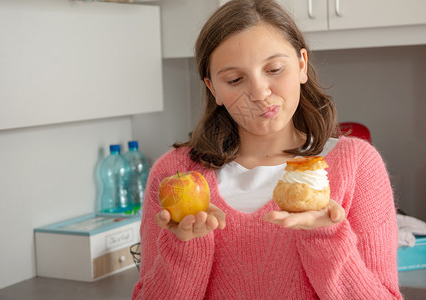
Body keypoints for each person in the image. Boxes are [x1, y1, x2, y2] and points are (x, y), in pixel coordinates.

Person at [132, 0, 402, 298]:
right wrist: (184, 246)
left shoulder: (356, 164)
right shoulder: (172, 173)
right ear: (213, 89)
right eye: (235, 79)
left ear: (301, 65)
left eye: (274, 69)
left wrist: (325, 238)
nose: (259, 93)